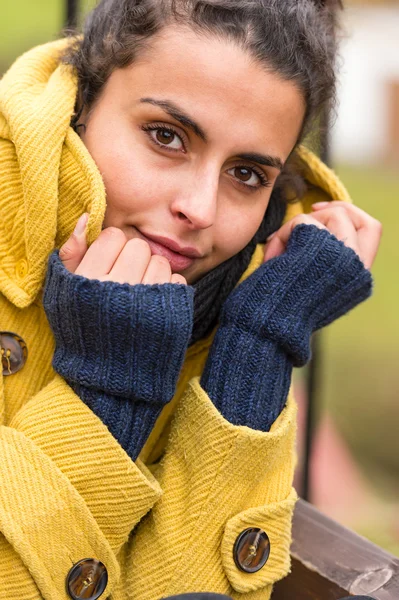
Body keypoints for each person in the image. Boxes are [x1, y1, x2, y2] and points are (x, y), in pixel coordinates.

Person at [0, 1, 382, 599]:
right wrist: (106, 391)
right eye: (165, 136)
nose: (199, 210)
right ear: (81, 107)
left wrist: (258, 343)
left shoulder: (225, 293)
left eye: (247, 174)